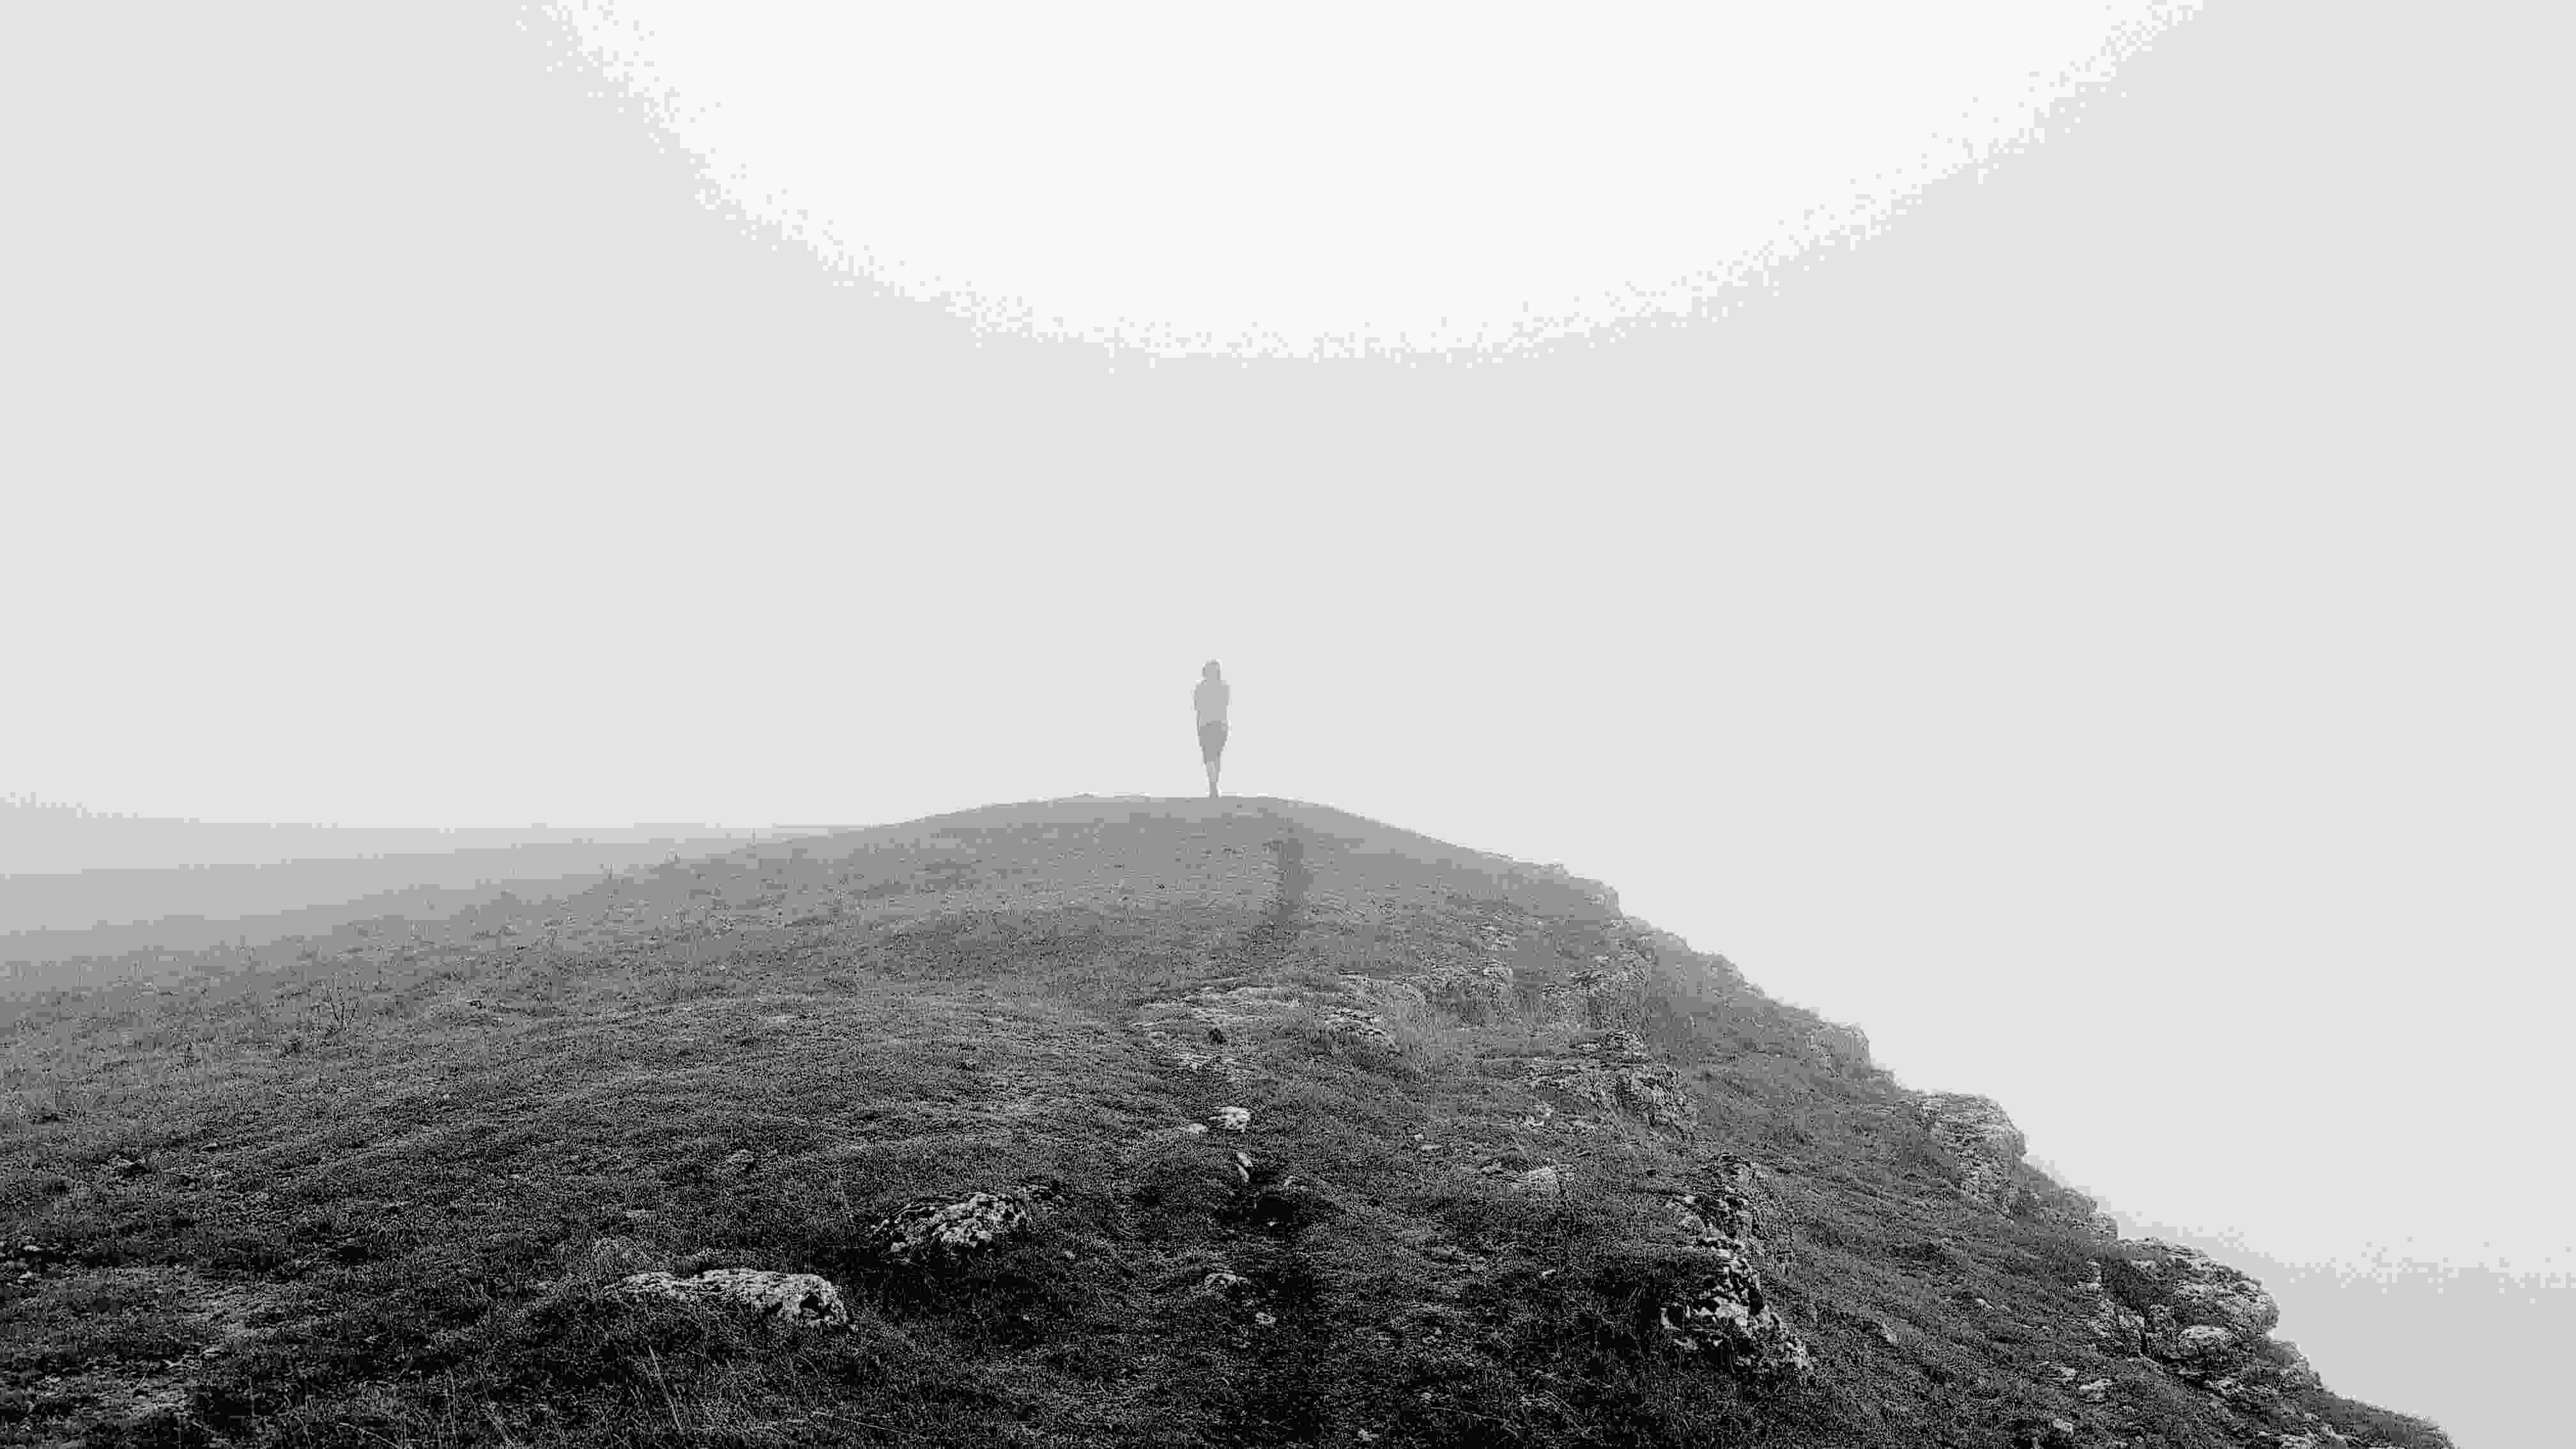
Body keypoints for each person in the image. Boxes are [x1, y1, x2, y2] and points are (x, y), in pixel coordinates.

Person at [1193, 660, 1230, 799]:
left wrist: (1198, 726)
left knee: (1209, 756)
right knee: (1216, 756)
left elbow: (1198, 708)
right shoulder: (1224, 687)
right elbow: (1225, 704)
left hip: (1206, 724)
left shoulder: (1200, 688)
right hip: (1221, 724)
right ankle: (1214, 785)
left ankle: (1212, 785)